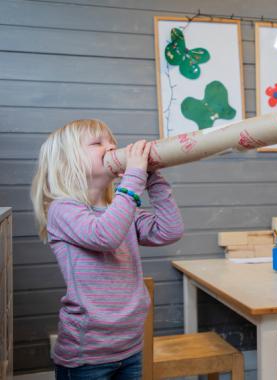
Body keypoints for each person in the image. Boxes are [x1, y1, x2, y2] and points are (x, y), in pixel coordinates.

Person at [31, 119, 184, 379]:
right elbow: (105, 236)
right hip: (87, 356)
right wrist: (133, 179)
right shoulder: (63, 209)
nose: (112, 146)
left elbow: (169, 231)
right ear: (67, 161)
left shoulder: (125, 211)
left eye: (112, 141)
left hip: (129, 348)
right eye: (97, 143)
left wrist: (153, 179)